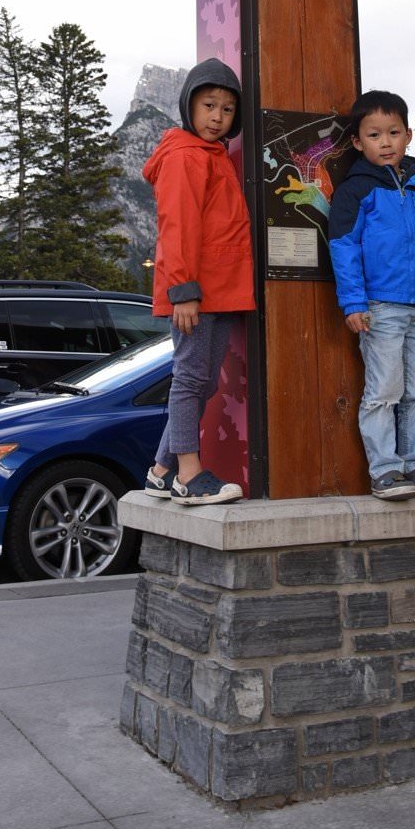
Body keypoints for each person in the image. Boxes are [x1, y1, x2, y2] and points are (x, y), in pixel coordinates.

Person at [329, 89, 415, 501]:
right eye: (374, 135)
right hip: (381, 307)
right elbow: (344, 247)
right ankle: (385, 470)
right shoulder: (355, 191)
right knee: (383, 392)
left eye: (393, 132)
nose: (385, 142)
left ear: (408, 136)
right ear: (357, 142)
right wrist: (354, 303)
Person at [144, 59, 256, 506]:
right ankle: (188, 476)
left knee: (204, 382)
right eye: (208, 106)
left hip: (222, 290)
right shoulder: (185, 155)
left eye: (227, 110)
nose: (217, 117)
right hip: (197, 292)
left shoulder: (214, 156)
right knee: (190, 379)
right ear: (188, 105)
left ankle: (160, 471)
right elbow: (178, 227)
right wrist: (183, 292)